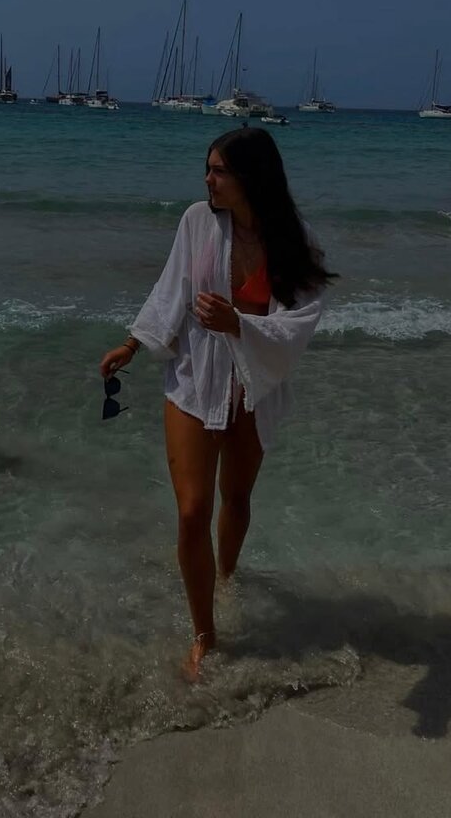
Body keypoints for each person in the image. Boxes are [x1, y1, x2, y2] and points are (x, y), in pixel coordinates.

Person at [98, 127, 336, 681]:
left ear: (251, 177)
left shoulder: (295, 240)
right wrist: (132, 344)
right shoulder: (196, 221)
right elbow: (171, 290)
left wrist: (239, 325)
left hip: (252, 387)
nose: (207, 180)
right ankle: (204, 634)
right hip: (193, 380)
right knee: (191, 511)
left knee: (237, 498)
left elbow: (299, 325)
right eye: (207, 168)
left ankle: (226, 578)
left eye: (218, 171)